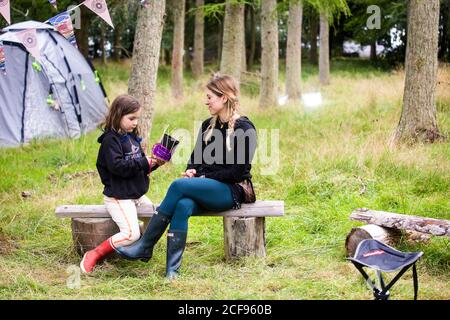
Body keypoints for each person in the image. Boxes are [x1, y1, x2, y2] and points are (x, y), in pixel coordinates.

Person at [115, 74, 257, 279]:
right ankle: (172, 270)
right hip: (209, 187)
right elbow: (196, 158)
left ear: (224, 98)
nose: (206, 101)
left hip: (232, 190)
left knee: (178, 186)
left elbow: (237, 171)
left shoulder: (245, 128)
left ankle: (145, 245)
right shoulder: (209, 125)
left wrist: (202, 177)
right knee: (183, 205)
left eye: (210, 97)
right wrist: (193, 170)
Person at [80, 94, 165, 274]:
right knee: (130, 233)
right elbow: (118, 167)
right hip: (119, 196)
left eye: (137, 118)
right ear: (118, 115)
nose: (135, 123)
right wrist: (143, 162)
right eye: (131, 118)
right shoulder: (110, 141)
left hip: (136, 195)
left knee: (156, 219)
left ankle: (140, 249)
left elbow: (138, 168)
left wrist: (154, 163)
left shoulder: (132, 137)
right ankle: (94, 254)